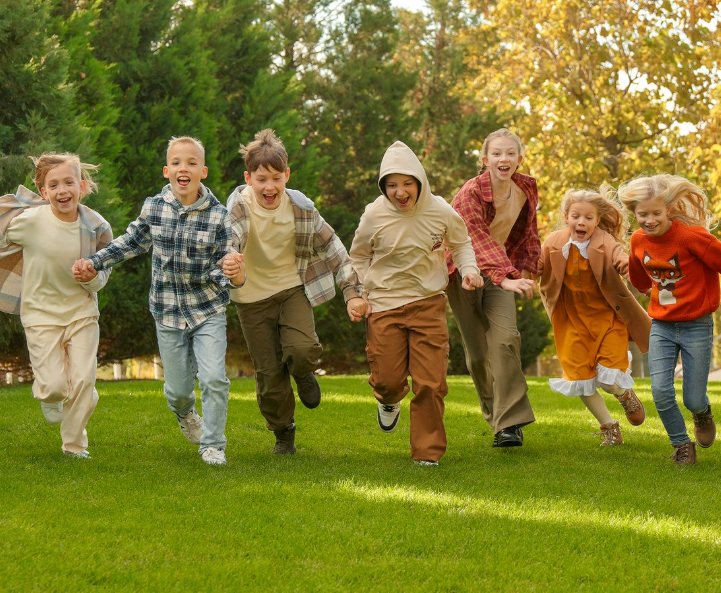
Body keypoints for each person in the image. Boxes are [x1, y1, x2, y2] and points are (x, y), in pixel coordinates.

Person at [73, 137, 244, 466]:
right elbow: (129, 243)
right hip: (167, 311)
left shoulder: (220, 217)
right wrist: (95, 262)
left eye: (192, 163)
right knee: (178, 391)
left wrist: (235, 275)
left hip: (208, 310)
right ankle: (185, 413)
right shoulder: (154, 208)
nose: (184, 168)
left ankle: (213, 444)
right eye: (177, 162)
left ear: (203, 172)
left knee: (213, 378)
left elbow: (225, 269)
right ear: (167, 171)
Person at [0, 153, 111, 458]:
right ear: (44, 194)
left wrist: (93, 276)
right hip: (40, 314)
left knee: (84, 380)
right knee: (56, 385)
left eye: (69, 182)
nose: (62, 190)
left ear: (81, 186)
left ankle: (74, 445)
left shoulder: (95, 226)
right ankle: (50, 394)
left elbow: (106, 267)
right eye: (53, 185)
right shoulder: (30, 221)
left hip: (82, 311)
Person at [224, 128, 367, 455]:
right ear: (248, 178)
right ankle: (283, 431)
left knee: (301, 350)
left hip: (291, 290)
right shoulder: (238, 207)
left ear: (287, 175)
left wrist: (352, 291)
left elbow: (333, 247)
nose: (269, 187)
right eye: (261, 179)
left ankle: (303, 372)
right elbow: (226, 240)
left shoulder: (301, 209)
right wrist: (230, 262)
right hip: (250, 300)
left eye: (276, 177)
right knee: (269, 375)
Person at [348, 141, 482, 466]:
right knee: (388, 380)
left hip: (428, 303)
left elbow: (461, 243)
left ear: (419, 181)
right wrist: (361, 292)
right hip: (384, 305)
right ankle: (388, 400)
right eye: (392, 185)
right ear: (384, 187)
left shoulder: (440, 211)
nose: (400, 191)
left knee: (431, 382)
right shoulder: (373, 215)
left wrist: (469, 270)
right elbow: (359, 256)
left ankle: (427, 453)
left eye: (407, 183)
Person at [619, 174, 721, 466]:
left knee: (693, 398)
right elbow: (639, 273)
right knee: (660, 391)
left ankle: (702, 413)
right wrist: (646, 287)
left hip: (697, 326)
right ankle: (681, 444)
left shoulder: (692, 237)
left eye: (656, 213)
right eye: (643, 215)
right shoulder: (638, 240)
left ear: (668, 209)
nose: (650, 220)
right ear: (634, 213)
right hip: (662, 327)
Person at [447, 129, 540, 449]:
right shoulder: (470, 193)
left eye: (510, 153)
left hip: (502, 271)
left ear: (519, 159)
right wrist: (505, 277)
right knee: (476, 355)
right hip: (463, 271)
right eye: (497, 154)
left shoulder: (525, 189)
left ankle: (509, 424)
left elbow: (529, 232)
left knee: (505, 339)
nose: (504, 159)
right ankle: (492, 411)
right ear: (485, 160)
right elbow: (475, 239)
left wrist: (531, 268)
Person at [538, 188, 651, 446]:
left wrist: (634, 269)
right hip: (571, 322)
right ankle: (610, 428)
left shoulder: (604, 242)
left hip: (607, 319)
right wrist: (518, 275)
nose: (582, 222)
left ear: (597, 221)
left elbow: (620, 259)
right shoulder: (553, 242)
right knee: (579, 379)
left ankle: (624, 395)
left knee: (610, 382)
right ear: (566, 217)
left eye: (588, 218)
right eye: (576, 216)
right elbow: (536, 265)